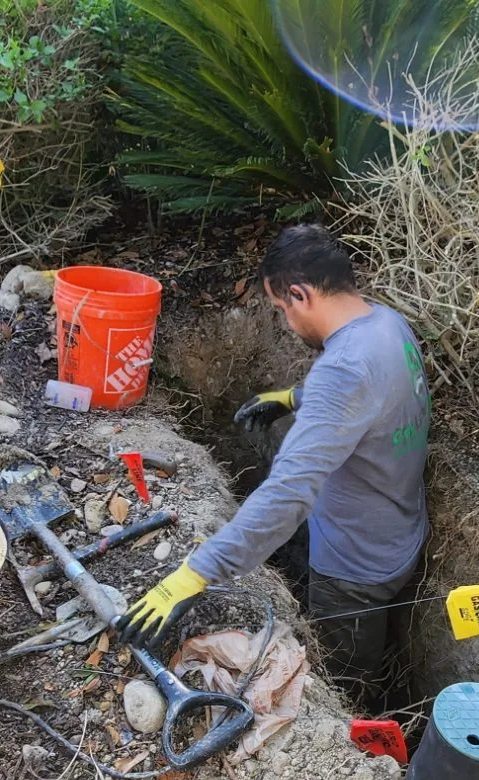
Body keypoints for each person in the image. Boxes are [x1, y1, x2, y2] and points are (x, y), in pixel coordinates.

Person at [118, 225, 430, 699]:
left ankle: (366, 734)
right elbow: (377, 399)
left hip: (354, 571)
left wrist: (193, 574)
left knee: (347, 680)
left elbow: (287, 495)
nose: (286, 322)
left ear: (301, 295)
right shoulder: (386, 324)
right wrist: (294, 397)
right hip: (399, 531)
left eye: (283, 309)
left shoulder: (343, 370)